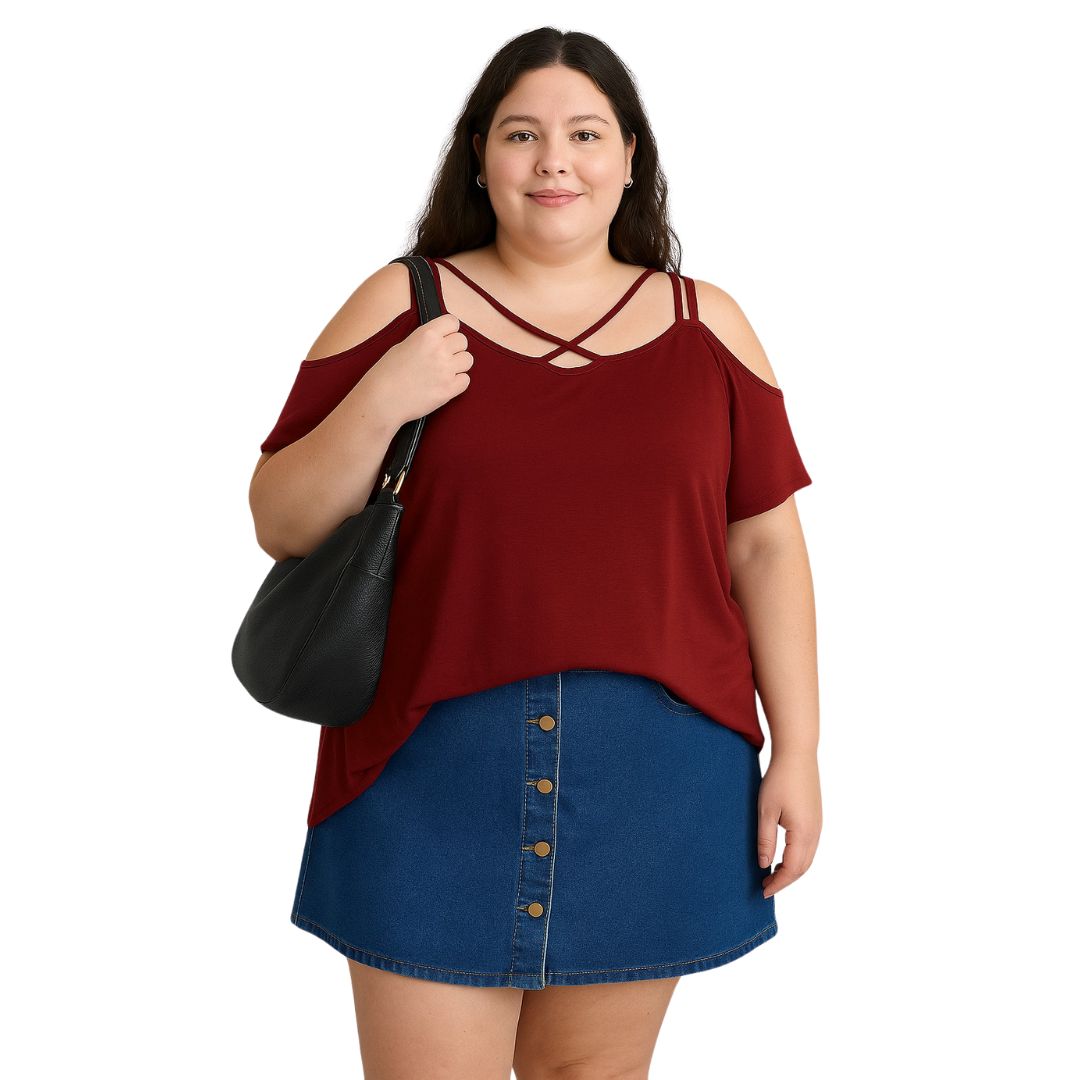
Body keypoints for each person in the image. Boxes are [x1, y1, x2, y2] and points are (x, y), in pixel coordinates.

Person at [248, 27, 821, 1080]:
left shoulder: (710, 325)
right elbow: (279, 520)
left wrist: (800, 751)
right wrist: (383, 398)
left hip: (658, 774)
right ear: (479, 155)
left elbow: (766, 549)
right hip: (427, 765)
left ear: (631, 157)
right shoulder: (402, 305)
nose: (555, 160)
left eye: (586, 134)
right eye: (522, 134)